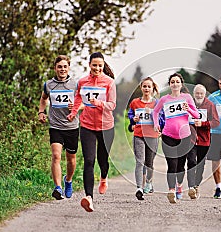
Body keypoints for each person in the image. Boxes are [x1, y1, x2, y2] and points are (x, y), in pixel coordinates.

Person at [67, 52, 116, 212]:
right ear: (89, 65)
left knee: (103, 159)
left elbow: (112, 105)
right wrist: (73, 113)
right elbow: (78, 99)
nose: (97, 68)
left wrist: (100, 103)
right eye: (94, 65)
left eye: (100, 65)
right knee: (89, 160)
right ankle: (89, 198)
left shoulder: (109, 82)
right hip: (87, 125)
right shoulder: (82, 82)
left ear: (103, 66)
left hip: (105, 126)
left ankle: (103, 177)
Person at [152, 73, 199, 204]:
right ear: (170, 84)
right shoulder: (164, 99)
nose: (175, 84)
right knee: (171, 165)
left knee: (180, 165)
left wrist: (188, 109)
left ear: (181, 84)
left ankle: (179, 186)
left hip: (184, 136)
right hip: (168, 136)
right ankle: (171, 190)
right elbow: (155, 112)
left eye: (177, 81)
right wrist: (156, 124)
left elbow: (196, 115)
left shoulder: (187, 97)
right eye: (172, 82)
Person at [38, 55, 79, 200]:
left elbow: (83, 103)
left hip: (72, 126)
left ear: (68, 68)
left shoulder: (75, 85)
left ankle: (68, 181)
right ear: (55, 68)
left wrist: (75, 107)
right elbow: (43, 99)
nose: (62, 69)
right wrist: (41, 112)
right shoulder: (48, 85)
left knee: (71, 159)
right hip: (55, 126)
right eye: (59, 67)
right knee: (56, 156)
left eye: (65, 66)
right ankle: (58, 188)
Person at [128, 77, 164, 201]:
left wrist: (153, 113)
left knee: (149, 163)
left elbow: (162, 119)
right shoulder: (135, 102)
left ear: (153, 88)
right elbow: (131, 115)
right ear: (141, 87)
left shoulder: (157, 103)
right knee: (140, 161)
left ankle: (148, 183)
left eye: (149, 86)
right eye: (144, 86)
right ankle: (139, 187)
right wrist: (133, 119)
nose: (146, 88)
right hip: (139, 135)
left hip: (153, 136)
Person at [181, 84, 219, 199]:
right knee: (191, 162)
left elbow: (216, 122)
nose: (199, 95)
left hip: (204, 140)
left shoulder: (210, 105)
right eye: (197, 93)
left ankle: (197, 185)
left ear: (204, 94)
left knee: (200, 165)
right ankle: (191, 187)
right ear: (193, 94)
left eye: (201, 94)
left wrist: (203, 124)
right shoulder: (188, 104)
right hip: (190, 138)